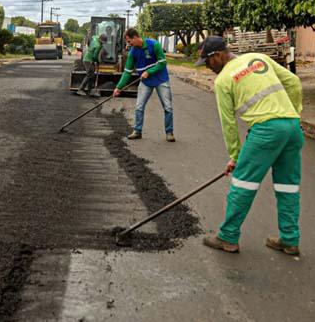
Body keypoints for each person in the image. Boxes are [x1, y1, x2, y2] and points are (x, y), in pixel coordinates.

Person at [195, 36, 304, 256]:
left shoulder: (223, 80)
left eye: (207, 63)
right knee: (287, 186)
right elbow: (293, 82)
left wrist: (235, 156)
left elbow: (229, 124)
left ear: (217, 56)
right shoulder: (259, 58)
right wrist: (293, 114)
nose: (208, 68)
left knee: (242, 185)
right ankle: (290, 240)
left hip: (265, 131)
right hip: (292, 128)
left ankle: (227, 237)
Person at [113, 28, 174, 142]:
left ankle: (169, 132)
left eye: (129, 41)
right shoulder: (133, 52)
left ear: (135, 37)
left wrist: (149, 71)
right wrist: (118, 87)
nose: (129, 44)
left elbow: (162, 63)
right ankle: (137, 131)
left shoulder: (154, 44)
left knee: (168, 107)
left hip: (161, 79)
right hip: (146, 82)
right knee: (139, 106)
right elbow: (127, 72)